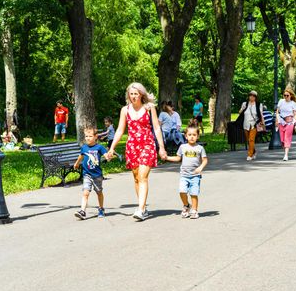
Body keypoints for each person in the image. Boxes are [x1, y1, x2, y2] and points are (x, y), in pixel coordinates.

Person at [108, 82, 167, 221]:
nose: (134, 96)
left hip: (147, 144)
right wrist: (112, 148)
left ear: (141, 94)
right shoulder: (125, 110)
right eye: (131, 94)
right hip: (132, 146)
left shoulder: (149, 108)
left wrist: (162, 147)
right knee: (136, 178)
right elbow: (120, 130)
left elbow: (157, 128)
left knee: (143, 176)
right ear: (128, 95)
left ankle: (140, 209)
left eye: (136, 94)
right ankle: (143, 207)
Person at [165, 124, 208, 219]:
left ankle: (194, 210)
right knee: (182, 191)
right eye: (189, 135)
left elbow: (205, 160)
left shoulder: (200, 148)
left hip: (195, 175)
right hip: (184, 175)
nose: (192, 137)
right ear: (186, 136)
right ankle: (186, 205)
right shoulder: (182, 147)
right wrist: (167, 157)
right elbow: (178, 158)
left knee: (194, 193)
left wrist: (200, 167)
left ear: (198, 136)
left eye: (194, 135)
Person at [73, 127, 111, 220]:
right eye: (86, 136)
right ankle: (82, 211)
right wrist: (76, 164)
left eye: (90, 136)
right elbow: (81, 156)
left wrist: (108, 157)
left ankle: (101, 208)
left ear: (95, 137)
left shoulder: (99, 147)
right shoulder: (84, 147)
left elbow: (107, 156)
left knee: (99, 192)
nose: (88, 138)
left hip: (97, 175)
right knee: (85, 192)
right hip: (87, 174)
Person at [238, 90, 265, 161]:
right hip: (246, 124)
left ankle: (249, 155)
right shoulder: (245, 104)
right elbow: (240, 112)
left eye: (253, 96)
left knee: (251, 139)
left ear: (256, 97)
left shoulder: (259, 104)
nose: (252, 97)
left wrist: (263, 123)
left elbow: (261, 114)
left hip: (254, 124)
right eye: (250, 95)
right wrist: (242, 109)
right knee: (248, 140)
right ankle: (254, 151)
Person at [276, 89, 296, 161]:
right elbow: (277, 112)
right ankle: (285, 151)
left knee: (287, 138)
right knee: (282, 140)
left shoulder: (293, 103)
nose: (285, 97)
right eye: (284, 95)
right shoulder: (281, 101)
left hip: (290, 122)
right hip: (281, 122)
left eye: (287, 95)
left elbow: (295, 114)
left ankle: (286, 155)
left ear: (290, 96)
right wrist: (277, 120)